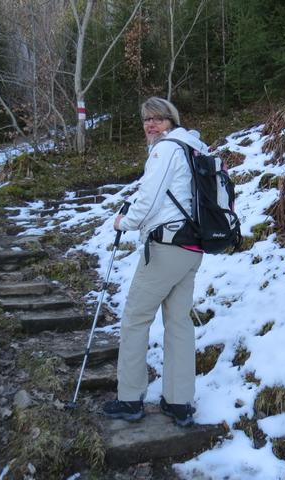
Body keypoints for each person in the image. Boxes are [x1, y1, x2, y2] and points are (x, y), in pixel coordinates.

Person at [103, 97, 208, 427]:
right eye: (147, 119)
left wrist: (125, 222)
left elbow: (148, 201)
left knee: (135, 318)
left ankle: (130, 399)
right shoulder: (194, 148)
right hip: (192, 247)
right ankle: (179, 402)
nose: (151, 124)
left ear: (171, 121)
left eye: (158, 118)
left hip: (166, 246)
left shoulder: (166, 149)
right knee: (178, 322)